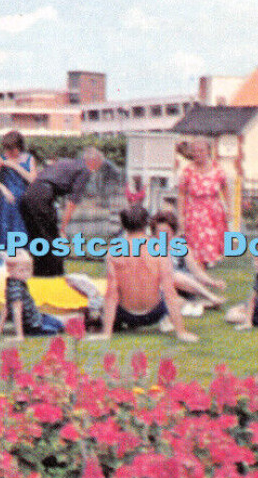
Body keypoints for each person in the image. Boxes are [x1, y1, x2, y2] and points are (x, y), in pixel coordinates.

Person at [95, 204, 197, 342]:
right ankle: (168, 321)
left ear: (124, 226)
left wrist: (106, 333)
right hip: (154, 314)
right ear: (146, 224)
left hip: (126, 314)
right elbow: (169, 292)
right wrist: (181, 332)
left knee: (101, 300)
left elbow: (111, 294)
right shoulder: (159, 249)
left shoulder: (114, 252)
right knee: (174, 297)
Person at [19, 147, 105, 278]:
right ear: (93, 161)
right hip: (42, 197)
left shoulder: (65, 162)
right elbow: (72, 202)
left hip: (27, 196)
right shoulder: (85, 170)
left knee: (38, 239)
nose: (97, 169)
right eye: (99, 164)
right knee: (52, 241)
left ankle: (39, 274)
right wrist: (63, 229)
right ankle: (54, 276)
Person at [151, 209, 225, 308]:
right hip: (163, 287)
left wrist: (213, 283)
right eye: (159, 232)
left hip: (184, 285)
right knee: (170, 298)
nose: (163, 235)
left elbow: (197, 272)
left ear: (173, 232)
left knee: (174, 276)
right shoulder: (151, 249)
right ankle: (198, 304)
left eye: (166, 232)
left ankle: (210, 297)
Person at [0, 253, 66, 339]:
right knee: (60, 327)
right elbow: (16, 311)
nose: (26, 273)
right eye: (21, 271)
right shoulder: (15, 289)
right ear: (9, 271)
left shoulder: (14, 283)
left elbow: (6, 307)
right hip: (34, 327)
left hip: (38, 318)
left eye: (28, 270)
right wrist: (19, 335)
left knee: (58, 321)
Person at [0, 131, 38, 250]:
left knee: (23, 230)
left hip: (24, 201)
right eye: (7, 149)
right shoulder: (1, 159)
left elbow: (33, 179)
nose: (9, 153)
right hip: (8, 202)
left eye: (12, 149)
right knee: (6, 230)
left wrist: (14, 166)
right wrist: (3, 189)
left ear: (19, 147)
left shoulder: (29, 158)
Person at [180, 139, 231, 268]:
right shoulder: (187, 171)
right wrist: (181, 214)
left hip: (214, 210)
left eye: (201, 150)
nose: (198, 154)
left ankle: (207, 264)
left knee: (212, 239)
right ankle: (200, 267)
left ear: (208, 151)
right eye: (195, 151)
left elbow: (225, 187)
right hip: (194, 210)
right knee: (198, 240)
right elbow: (181, 193)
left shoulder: (217, 169)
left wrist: (229, 208)